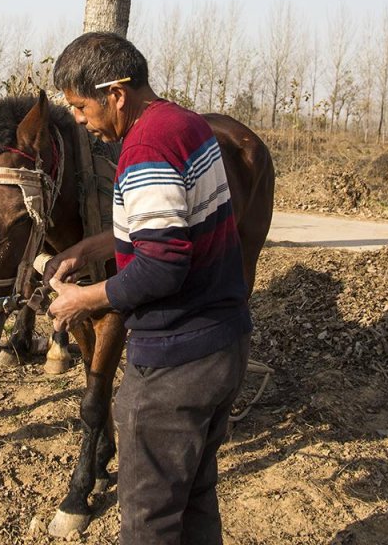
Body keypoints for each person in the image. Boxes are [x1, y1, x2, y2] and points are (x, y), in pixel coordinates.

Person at [46, 32, 251, 545]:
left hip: (174, 364)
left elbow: (163, 266)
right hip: (223, 343)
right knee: (196, 501)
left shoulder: (145, 148)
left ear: (115, 94)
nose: (78, 119)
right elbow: (177, 229)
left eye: (79, 105)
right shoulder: (184, 124)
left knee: (149, 521)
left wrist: (84, 299)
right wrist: (96, 247)